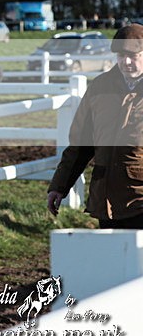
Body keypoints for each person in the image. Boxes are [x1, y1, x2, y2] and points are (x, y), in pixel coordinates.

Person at [47, 24, 143, 228]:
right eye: (120, 55)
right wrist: (59, 186)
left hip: (140, 200)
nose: (126, 62)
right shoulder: (100, 87)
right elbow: (81, 143)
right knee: (112, 259)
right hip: (107, 201)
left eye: (133, 55)